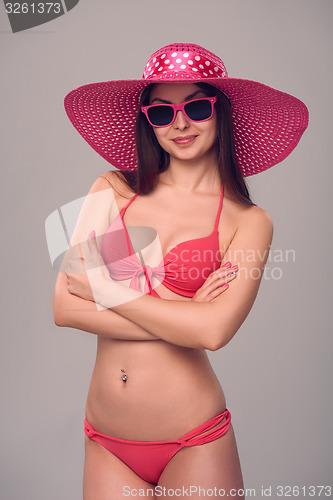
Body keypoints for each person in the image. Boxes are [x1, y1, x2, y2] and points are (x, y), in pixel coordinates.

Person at [53, 43, 308, 499]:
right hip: (106, 442)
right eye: (161, 113)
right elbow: (64, 303)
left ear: (221, 112)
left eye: (196, 106)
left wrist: (104, 285)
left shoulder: (248, 221)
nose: (180, 123)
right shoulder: (111, 188)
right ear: (147, 123)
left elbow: (212, 334)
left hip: (193, 440)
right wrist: (183, 310)